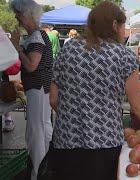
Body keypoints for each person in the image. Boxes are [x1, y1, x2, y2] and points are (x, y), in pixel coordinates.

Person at [49, 2, 140, 180]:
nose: (123, 31)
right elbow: (138, 107)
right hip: (104, 146)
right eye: (123, 26)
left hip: (66, 143)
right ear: (114, 25)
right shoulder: (123, 56)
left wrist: (75, 118)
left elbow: (53, 99)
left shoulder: (69, 49)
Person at [10, 0, 53, 180]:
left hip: (37, 89)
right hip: (42, 89)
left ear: (26, 15)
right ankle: (45, 168)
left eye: (18, 14)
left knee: (36, 131)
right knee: (43, 128)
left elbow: (31, 66)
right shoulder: (39, 35)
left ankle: (37, 173)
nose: (17, 18)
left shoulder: (36, 36)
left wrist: (17, 48)